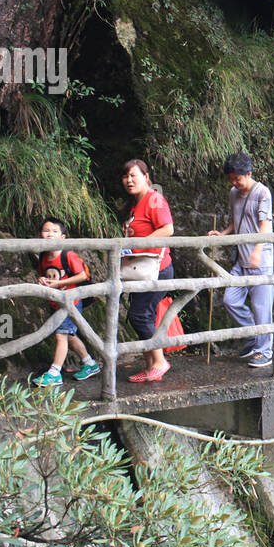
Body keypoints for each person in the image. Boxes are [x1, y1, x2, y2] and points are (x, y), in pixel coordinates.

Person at [208, 152, 274, 369]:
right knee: (230, 300)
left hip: (260, 260)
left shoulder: (262, 193)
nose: (234, 182)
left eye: (238, 178)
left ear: (249, 173)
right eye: (231, 178)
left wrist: (257, 250)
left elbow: (264, 225)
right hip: (241, 260)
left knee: (261, 308)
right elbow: (238, 220)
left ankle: (265, 351)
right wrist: (223, 234)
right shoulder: (233, 193)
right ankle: (253, 336)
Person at [31, 217, 101, 386]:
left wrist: (59, 283)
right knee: (69, 336)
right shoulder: (43, 256)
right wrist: (41, 280)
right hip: (56, 302)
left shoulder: (67, 255)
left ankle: (54, 373)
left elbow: (83, 275)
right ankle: (90, 363)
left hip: (71, 301)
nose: (49, 235)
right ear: (40, 235)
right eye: (46, 231)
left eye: (54, 232)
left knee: (61, 335)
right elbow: (44, 274)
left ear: (62, 237)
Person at [121, 159, 174, 382]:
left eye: (134, 175)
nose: (129, 180)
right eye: (125, 177)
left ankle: (160, 361)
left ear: (146, 176)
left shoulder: (154, 200)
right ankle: (151, 365)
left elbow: (168, 229)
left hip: (156, 269)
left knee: (139, 315)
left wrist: (138, 244)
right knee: (146, 316)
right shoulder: (136, 204)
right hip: (140, 268)